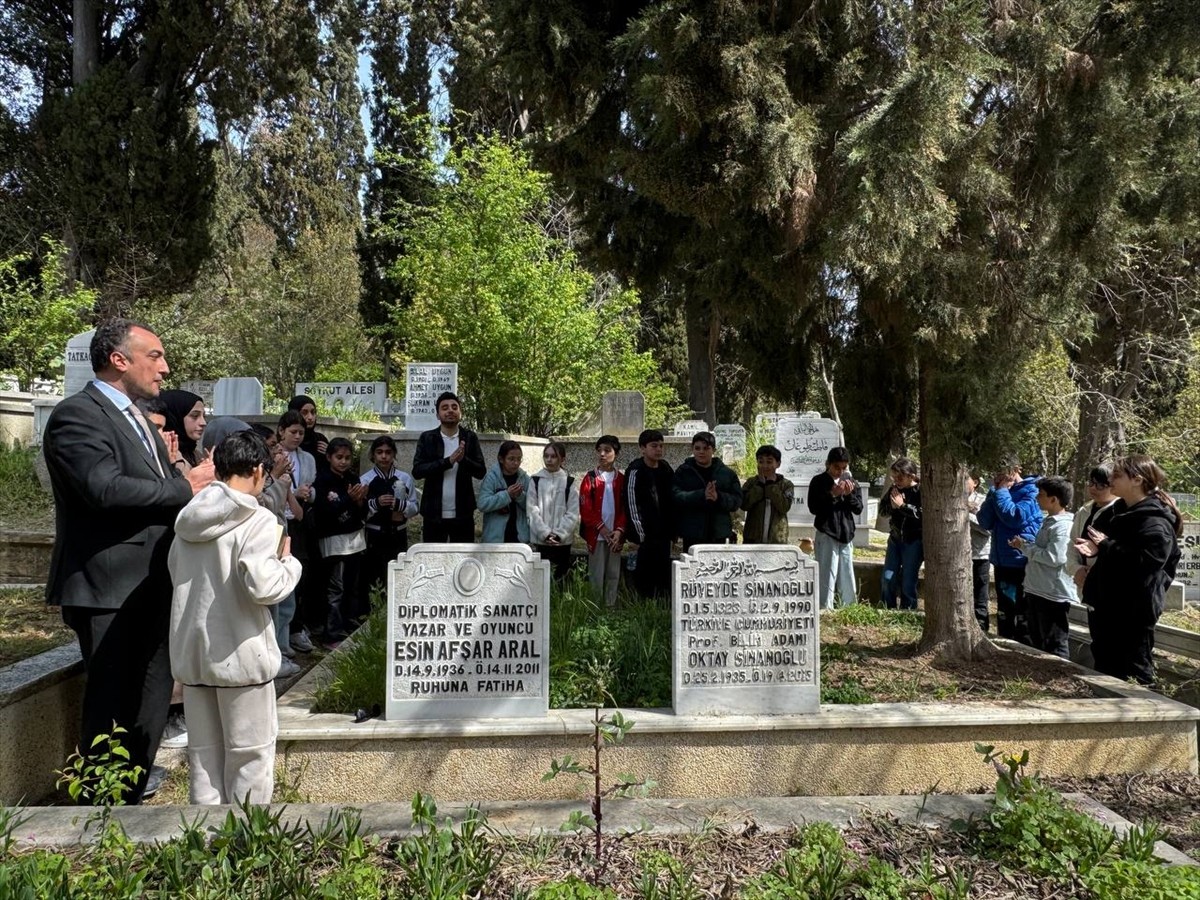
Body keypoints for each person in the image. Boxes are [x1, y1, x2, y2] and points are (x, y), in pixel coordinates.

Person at [43, 318, 214, 804]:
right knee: (112, 704)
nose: (165, 368)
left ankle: (131, 798)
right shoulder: (78, 415)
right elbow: (104, 489)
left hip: (151, 586)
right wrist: (186, 487)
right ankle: (98, 814)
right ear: (119, 360)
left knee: (152, 701)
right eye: (155, 356)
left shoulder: (138, 416)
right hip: (108, 589)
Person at [168, 430, 302, 805]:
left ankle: (204, 841)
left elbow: (175, 574)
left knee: (204, 756)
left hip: (193, 655)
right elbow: (264, 587)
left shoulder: (188, 518)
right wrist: (288, 564)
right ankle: (247, 843)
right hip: (241, 655)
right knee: (250, 755)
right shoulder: (257, 519)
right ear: (259, 469)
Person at [1076, 455, 1182, 685]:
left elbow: (1147, 564)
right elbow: (1105, 546)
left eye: (1117, 475)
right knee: (1105, 666)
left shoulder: (1155, 522)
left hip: (1132, 612)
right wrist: (1095, 550)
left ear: (1137, 480)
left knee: (1134, 673)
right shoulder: (1117, 513)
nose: (1111, 479)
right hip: (1106, 605)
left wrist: (1106, 546)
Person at [1010, 476, 1076, 658]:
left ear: (1054, 499)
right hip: (1037, 589)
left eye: (1041, 494)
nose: (1037, 498)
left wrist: (1026, 547)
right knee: (1038, 639)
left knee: (1055, 643)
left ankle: (1059, 677)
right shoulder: (1049, 521)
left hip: (1052, 593)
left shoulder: (1063, 527)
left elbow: (1054, 557)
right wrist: (1025, 546)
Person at [977, 463, 1042, 643]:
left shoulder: (1033, 490)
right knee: (1004, 609)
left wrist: (1002, 491)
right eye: (995, 474)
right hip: (1001, 559)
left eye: (1002, 473)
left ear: (1016, 468)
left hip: (1021, 560)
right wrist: (995, 493)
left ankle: (1024, 648)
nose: (998, 477)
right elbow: (984, 521)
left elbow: (1014, 517)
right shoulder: (997, 491)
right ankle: (1004, 642)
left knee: (1021, 612)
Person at [312, 437, 368, 644]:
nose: (343, 462)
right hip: (334, 541)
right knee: (336, 589)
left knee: (352, 586)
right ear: (329, 457)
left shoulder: (353, 478)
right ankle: (331, 634)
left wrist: (360, 500)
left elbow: (363, 511)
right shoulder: (323, 480)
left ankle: (349, 627)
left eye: (347, 457)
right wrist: (348, 499)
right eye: (339, 457)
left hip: (355, 539)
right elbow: (325, 511)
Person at [411, 392, 487, 542]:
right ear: (438, 415)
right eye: (445, 408)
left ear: (460, 412)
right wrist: (448, 462)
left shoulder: (469, 437)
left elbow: (480, 471)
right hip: (433, 513)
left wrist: (462, 459)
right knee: (433, 560)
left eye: (454, 407)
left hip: (463, 513)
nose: (450, 410)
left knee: (462, 560)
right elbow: (418, 471)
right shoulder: (427, 438)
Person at [276, 410, 318, 653]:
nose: (298, 437)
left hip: (300, 519)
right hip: (279, 517)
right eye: (293, 432)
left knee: (299, 574)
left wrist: (306, 493)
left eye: (301, 433)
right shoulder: (274, 453)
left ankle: (296, 629)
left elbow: (312, 489)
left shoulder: (308, 459)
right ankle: (282, 634)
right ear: (282, 430)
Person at [360, 435, 418, 601]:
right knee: (375, 576)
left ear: (394, 455)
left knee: (397, 574)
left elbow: (415, 507)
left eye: (388, 452)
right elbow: (360, 511)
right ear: (373, 455)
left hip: (398, 534)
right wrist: (375, 503)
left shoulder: (404, 478)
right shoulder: (365, 480)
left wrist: (400, 506)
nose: (384, 456)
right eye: (379, 452)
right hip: (374, 536)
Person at [806, 447, 861, 609]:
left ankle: (849, 607)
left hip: (846, 534)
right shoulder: (818, 481)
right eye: (837, 467)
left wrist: (849, 494)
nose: (840, 471)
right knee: (826, 572)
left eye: (844, 468)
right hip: (827, 532)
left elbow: (858, 508)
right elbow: (814, 508)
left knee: (847, 573)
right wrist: (832, 495)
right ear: (828, 464)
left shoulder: (851, 482)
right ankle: (824, 607)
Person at [624, 429, 675, 600]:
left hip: (663, 534)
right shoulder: (635, 470)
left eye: (661, 446)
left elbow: (672, 499)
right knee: (644, 577)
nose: (659, 449)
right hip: (643, 536)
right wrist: (639, 535)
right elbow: (631, 504)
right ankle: (643, 610)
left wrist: (672, 530)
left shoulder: (666, 468)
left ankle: (661, 608)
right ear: (642, 448)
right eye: (654, 446)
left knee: (662, 576)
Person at [673, 431, 743, 551]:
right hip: (692, 533)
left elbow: (737, 500)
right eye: (697, 448)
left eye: (706, 448)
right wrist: (700, 495)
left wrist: (718, 497)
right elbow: (675, 496)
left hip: (718, 533)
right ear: (692, 449)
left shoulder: (727, 474)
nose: (701, 452)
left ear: (713, 450)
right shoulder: (683, 472)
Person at [580, 435, 627, 606]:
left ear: (616, 454)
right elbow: (586, 509)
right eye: (599, 450)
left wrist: (619, 530)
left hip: (615, 535)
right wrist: (602, 529)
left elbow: (625, 508)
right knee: (596, 572)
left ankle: (610, 605)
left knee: (613, 571)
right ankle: (594, 605)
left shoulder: (621, 479)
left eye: (607, 450)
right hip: (597, 534)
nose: (602, 454)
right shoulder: (590, 478)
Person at [528, 441, 580, 581]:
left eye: (553, 456)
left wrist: (558, 534)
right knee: (540, 581)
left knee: (560, 579)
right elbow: (532, 510)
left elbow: (573, 513)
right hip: (541, 541)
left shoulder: (569, 482)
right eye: (546, 456)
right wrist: (544, 533)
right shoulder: (536, 480)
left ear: (562, 459)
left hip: (562, 542)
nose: (549, 460)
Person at [881, 458, 922, 610]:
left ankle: (908, 610)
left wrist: (903, 506)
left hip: (913, 541)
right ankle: (887, 607)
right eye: (894, 476)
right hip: (895, 538)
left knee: (908, 579)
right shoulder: (894, 489)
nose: (896, 480)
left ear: (911, 476)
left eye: (900, 477)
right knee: (888, 576)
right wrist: (892, 507)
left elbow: (922, 515)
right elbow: (883, 511)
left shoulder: (920, 491)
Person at [479, 441, 531, 543]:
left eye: (519, 459)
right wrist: (507, 495)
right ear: (501, 459)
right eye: (511, 459)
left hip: (519, 539)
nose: (516, 463)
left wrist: (520, 496)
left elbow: (533, 506)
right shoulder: (491, 478)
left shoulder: (524, 478)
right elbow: (482, 504)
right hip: (495, 540)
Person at [742, 445, 795, 545]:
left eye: (769, 462)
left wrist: (771, 486)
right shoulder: (751, 483)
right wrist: (759, 487)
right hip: (752, 539)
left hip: (777, 540)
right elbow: (744, 504)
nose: (765, 466)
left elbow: (784, 507)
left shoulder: (787, 485)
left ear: (778, 464)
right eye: (761, 462)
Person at [966, 473, 993, 632]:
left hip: (980, 556)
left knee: (980, 597)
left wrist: (965, 514)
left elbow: (987, 529)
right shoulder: (952, 499)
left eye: (965, 479)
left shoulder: (983, 501)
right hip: (959, 557)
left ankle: (982, 629)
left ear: (975, 482)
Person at [161, 389, 206, 471]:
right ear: (176, 418)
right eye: (195, 416)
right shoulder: (162, 455)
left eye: (204, 416)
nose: (203, 423)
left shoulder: (195, 455)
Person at [288, 395, 329, 470]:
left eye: (313, 412)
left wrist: (330, 455)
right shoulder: (288, 440)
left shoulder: (320, 440)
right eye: (304, 413)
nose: (310, 417)